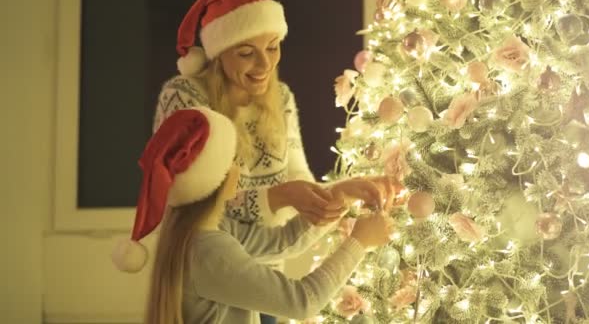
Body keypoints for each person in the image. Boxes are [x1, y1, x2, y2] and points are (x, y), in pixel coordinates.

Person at [112, 107, 394, 324]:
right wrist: (359, 242)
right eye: (234, 160)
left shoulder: (208, 228)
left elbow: (281, 242)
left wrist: (340, 194)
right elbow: (302, 301)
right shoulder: (208, 250)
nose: (240, 167)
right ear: (218, 178)